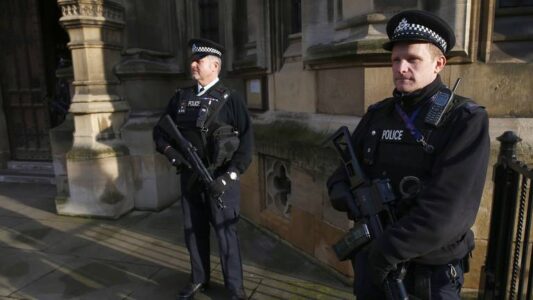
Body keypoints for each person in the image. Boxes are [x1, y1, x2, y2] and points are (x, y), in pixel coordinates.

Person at [327, 10, 490, 300]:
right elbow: (341, 173)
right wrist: (343, 194)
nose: (401, 67)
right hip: (372, 260)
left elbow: (449, 211)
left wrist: (386, 251)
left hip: (428, 274)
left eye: (413, 59)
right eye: (395, 60)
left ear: (439, 63)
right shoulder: (378, 115)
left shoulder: (464, 119)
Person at [153, 38, 253, 300]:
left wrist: (230, 176)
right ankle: (199, 278)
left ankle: (235, 288)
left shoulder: (231, 99)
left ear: (215, 65)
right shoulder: (181, 98)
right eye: (193, 60)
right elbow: (160, 133)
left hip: (220, 179)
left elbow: (247, 142)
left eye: (200, 61)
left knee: (226, 235)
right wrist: (172, 154)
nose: (193, 64)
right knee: (193, 231)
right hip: (190, 179)